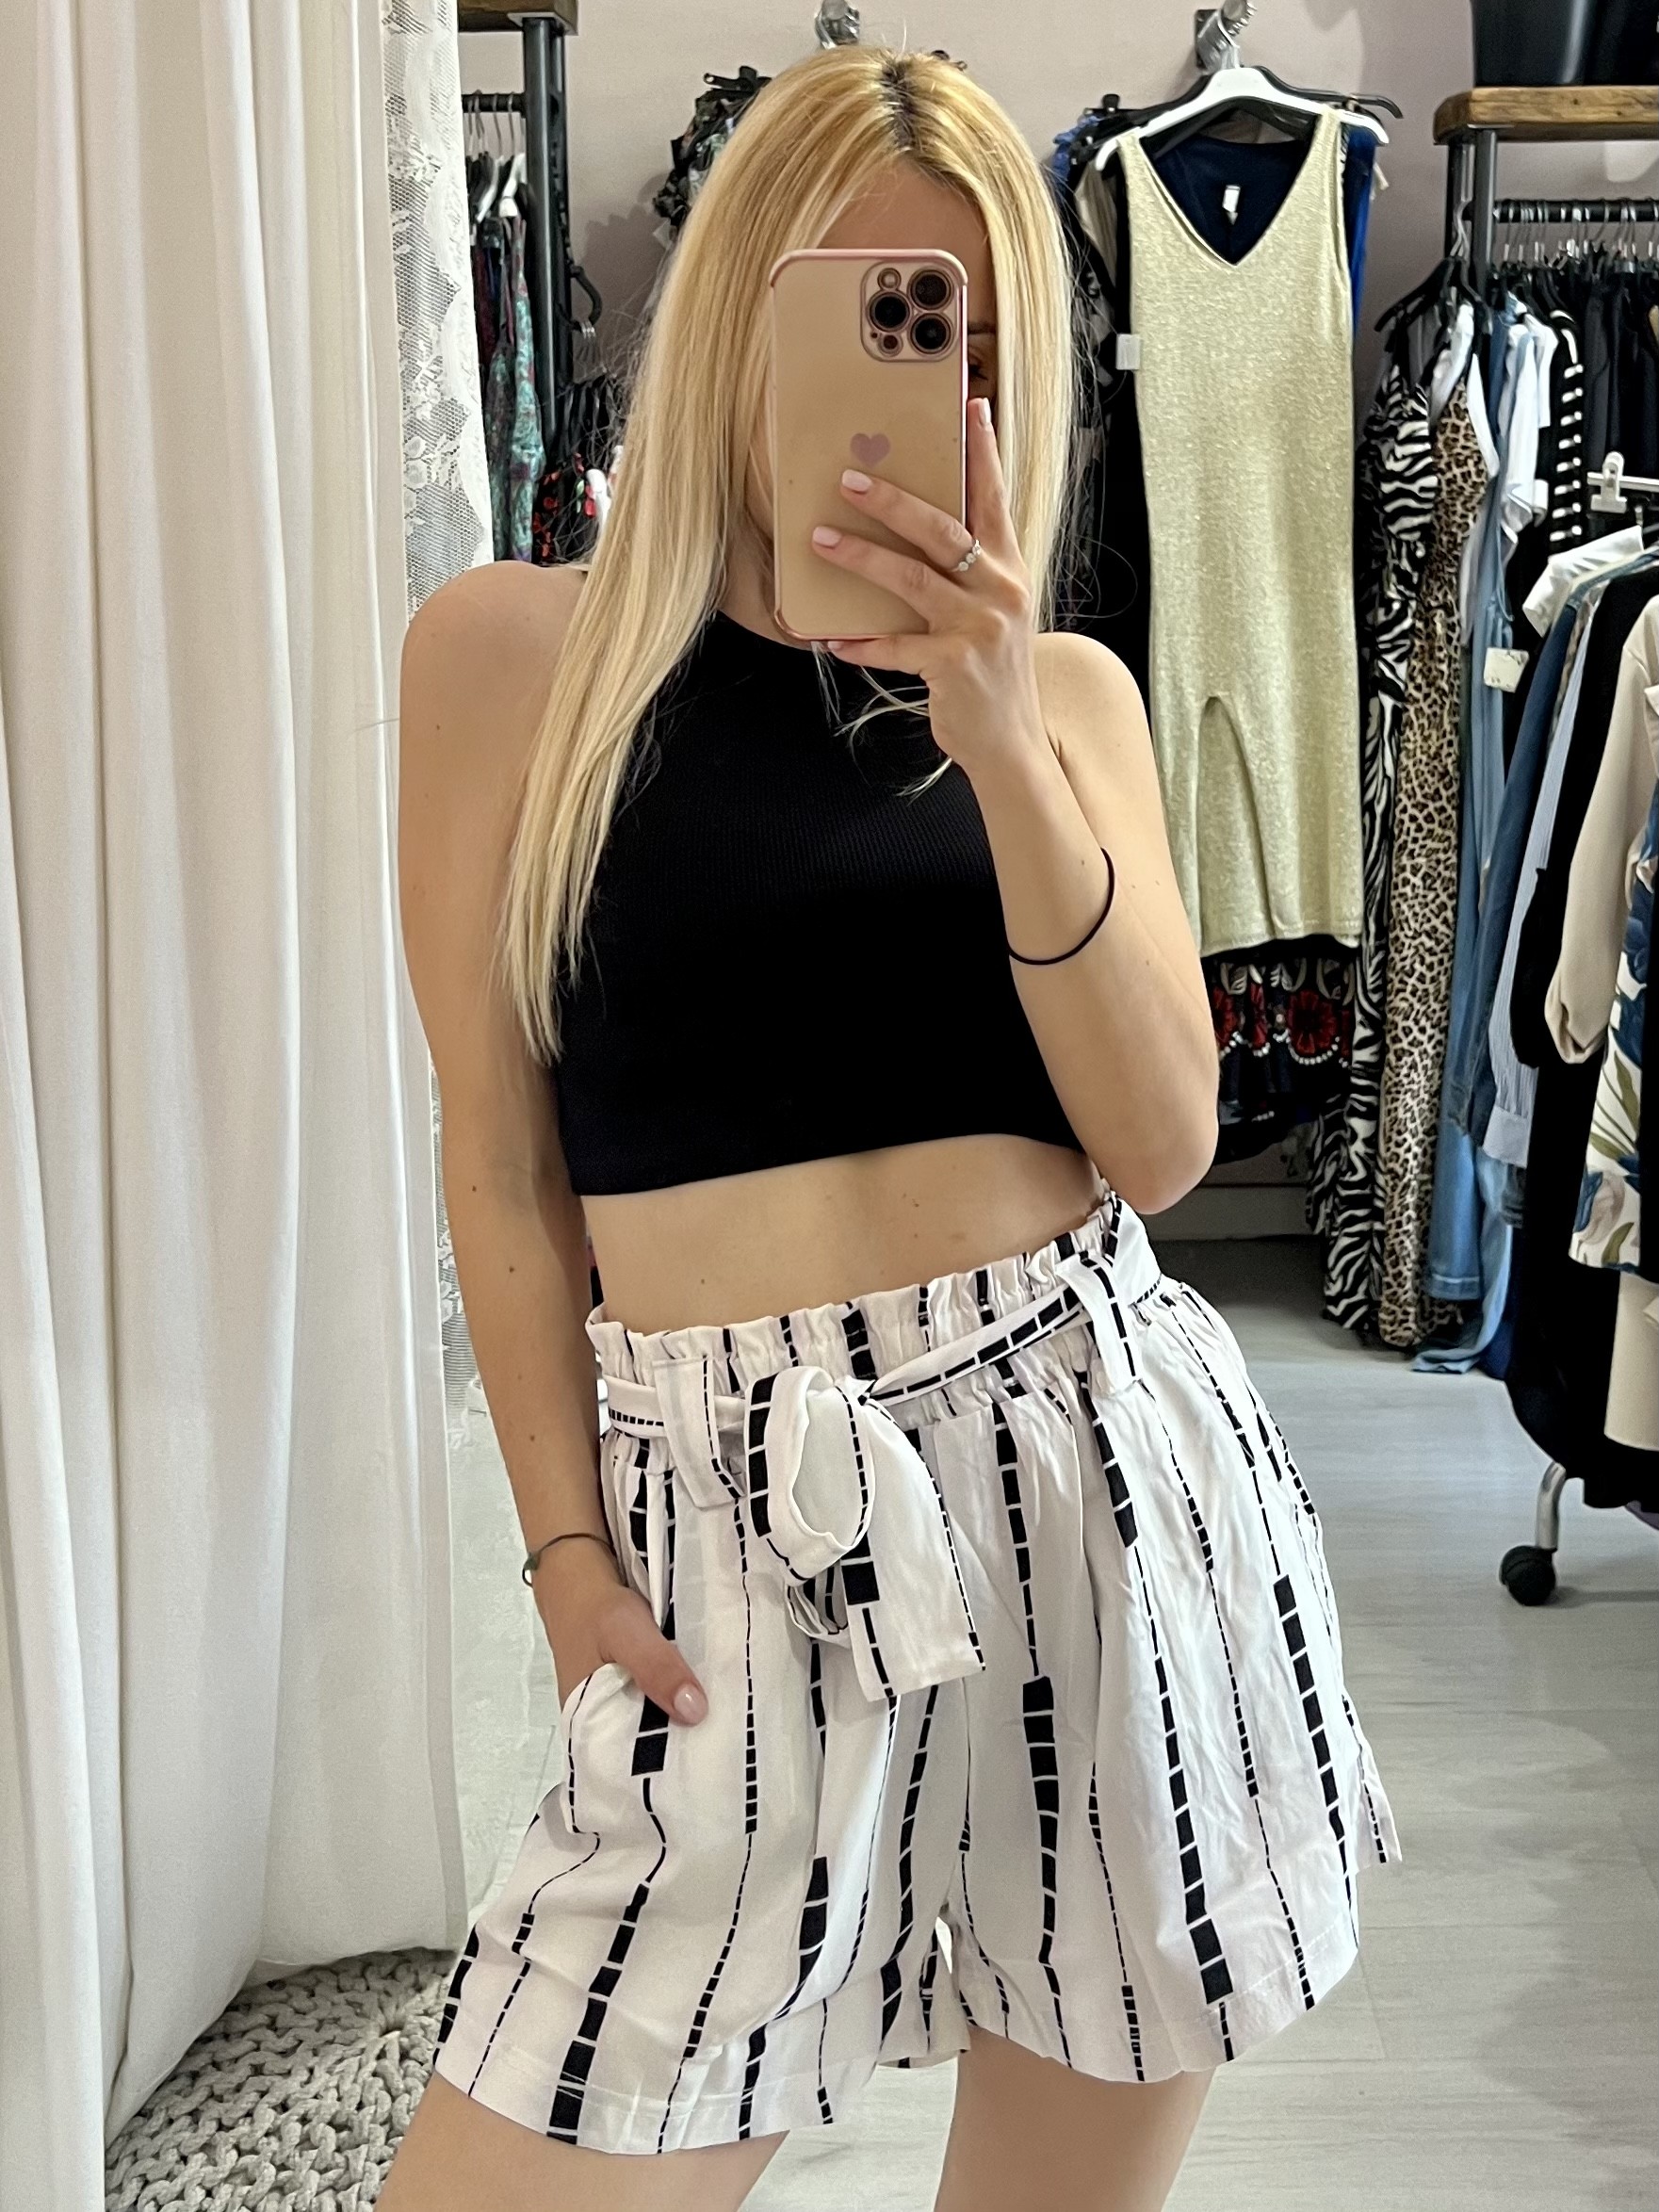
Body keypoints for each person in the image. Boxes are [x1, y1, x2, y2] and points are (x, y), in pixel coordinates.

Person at [382, 42, 1398, 2212]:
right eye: (863, 309)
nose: (923, 381)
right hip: (723, 1526)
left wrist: (1003, 740)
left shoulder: (1073, 700)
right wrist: (565, 1563)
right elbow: (498, 1161)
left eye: (968, 339)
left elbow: (1157, 1143)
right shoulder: (509, 663)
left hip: (1092, 1475)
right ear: (734, 312)